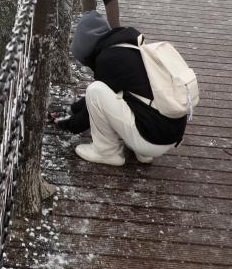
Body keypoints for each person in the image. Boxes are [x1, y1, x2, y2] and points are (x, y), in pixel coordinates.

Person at [52, 12, 187, 166]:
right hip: (170, 132)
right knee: (127, 93)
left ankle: (107, 152)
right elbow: (112, 91)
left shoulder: (108, 59)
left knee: (95, 90)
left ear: (88, 48)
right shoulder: (130, 47)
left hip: (153, 138)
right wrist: (72, 109)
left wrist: (68, 124)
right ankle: (142, 152)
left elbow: (95, 101)